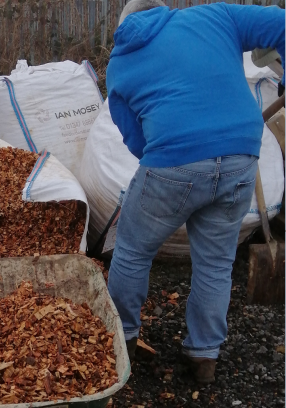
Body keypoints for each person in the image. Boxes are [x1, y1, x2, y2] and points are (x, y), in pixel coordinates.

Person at [105, 0, 284, 384]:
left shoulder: (119, 63)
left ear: (123, 24)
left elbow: (135, 139)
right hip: (241, 155)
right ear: (163, 9)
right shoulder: (216, 16)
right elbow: (281, 23)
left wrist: (174, 168)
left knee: (133, 251)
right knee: (217, 262)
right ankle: (204, 357)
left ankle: (122, 341)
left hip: (172, 161)